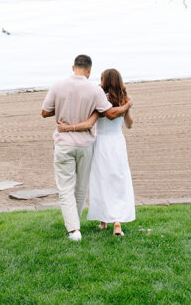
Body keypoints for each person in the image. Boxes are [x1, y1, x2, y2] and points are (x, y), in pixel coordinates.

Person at [41, 55, 131, 241]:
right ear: (89, 70)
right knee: (82, 187)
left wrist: (62, 111)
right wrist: (127, 106)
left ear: (73, 67)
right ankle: (79, 223)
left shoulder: (58, 85)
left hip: (67, 144)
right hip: (87, 145)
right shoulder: (95, 91)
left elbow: (44, 112)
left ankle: (74, 230)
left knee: (66, 187)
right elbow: (111, 113)